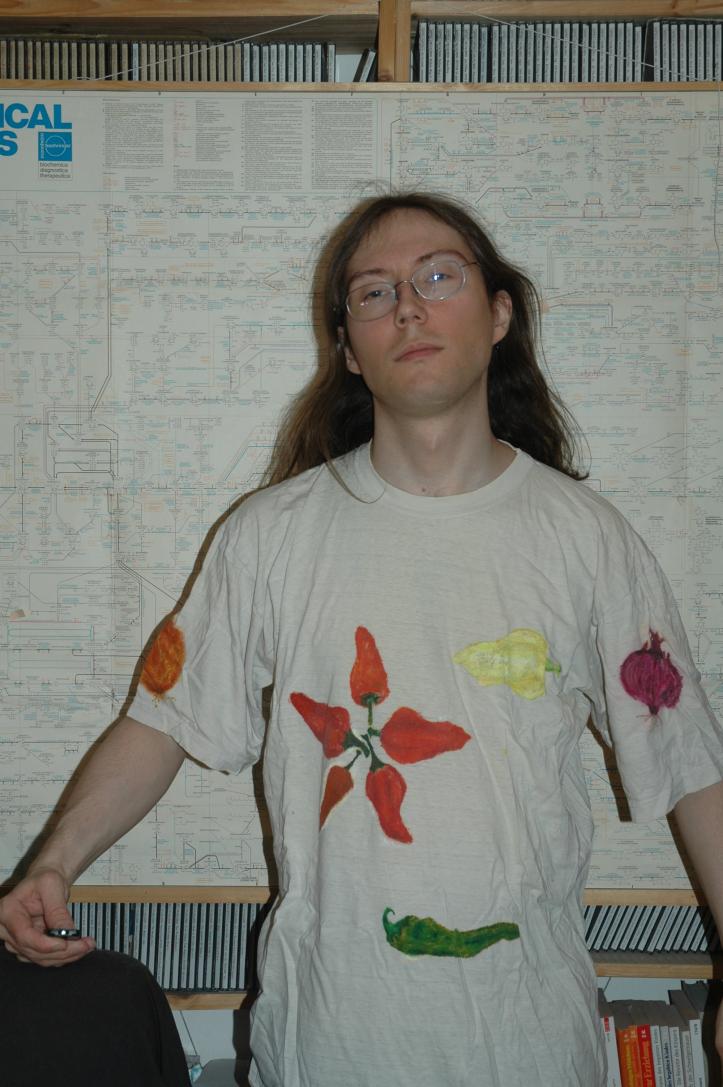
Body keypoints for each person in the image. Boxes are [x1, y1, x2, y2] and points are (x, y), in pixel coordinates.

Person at [1, 191, 722, 1087]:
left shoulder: (588, 537)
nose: (408, 307)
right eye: (373, 292)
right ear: (348, 346)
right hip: (323, 1043)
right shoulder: (269, 534)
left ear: (499, 313)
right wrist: (53, 861)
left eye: (437, 277)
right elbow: (164, 719)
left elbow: (689, 763)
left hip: (529, 1043)